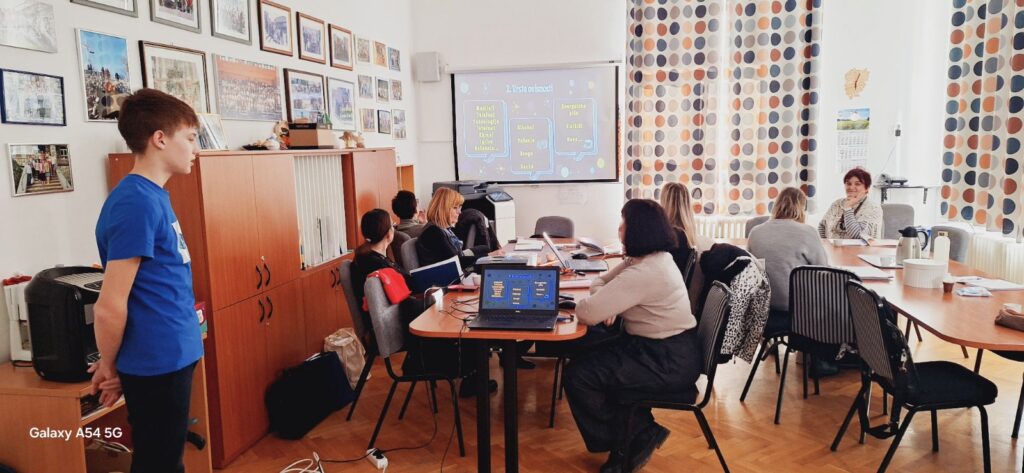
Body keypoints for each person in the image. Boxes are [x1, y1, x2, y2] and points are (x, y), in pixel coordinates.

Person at [91, 88, 204, 473]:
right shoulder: (135, 202)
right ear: (160, 139)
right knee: (160, 464)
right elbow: (110, 304)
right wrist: (110, 366)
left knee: (166, 460)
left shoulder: (153, 195)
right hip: (157, 357)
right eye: (190, 137)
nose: (195, 149)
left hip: (171, 352)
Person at [564, 199, 699, 473]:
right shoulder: (652, 259)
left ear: (637, 229)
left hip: (667, 360)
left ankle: (632, 439)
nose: (619, 228)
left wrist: (607, 302)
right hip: (662, 349)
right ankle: (634, 433)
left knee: (579, 375)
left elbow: (587, 312)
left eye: (624, 223)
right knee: (586, 351)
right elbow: (600, 282)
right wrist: (609, 300)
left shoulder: (644, 272)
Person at [351, 208, 494, 397]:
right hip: (408, 326)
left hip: (404, 318)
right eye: (392, 226)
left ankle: (474, 376)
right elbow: (403, 301)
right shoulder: (377, 265)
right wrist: (435, 295)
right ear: (389, 234)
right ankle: (472, 378)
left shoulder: (367, 259)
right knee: (464, 321)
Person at [748, 187, 828, 336]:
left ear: (776, 205)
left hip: (765, 307)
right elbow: (824, 271)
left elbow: (751, 270)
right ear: (802, 208)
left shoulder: (755, 232)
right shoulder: (808, 232)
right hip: (800, 309)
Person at [416, 187, 491, 269]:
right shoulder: (433, 232)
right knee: (490, 263)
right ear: (443, 209)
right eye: (455, 208)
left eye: (459, 208)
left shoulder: (441, 228)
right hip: (446, 274)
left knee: (485, 249)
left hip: (454, 264)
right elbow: (458, 262)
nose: (459, 212)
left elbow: (455, 255)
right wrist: (488, 257)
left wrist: (488, 254)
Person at [818, 168, 883, 239]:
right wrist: (822, 243)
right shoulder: (837, 204)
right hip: (833, 246)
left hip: (860, 247)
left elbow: (859, 236)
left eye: (857, 184)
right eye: (848, 183)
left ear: (867, 188)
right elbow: (822, 226)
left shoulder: (874, 208)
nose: (851, 187)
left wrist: (848, 208)